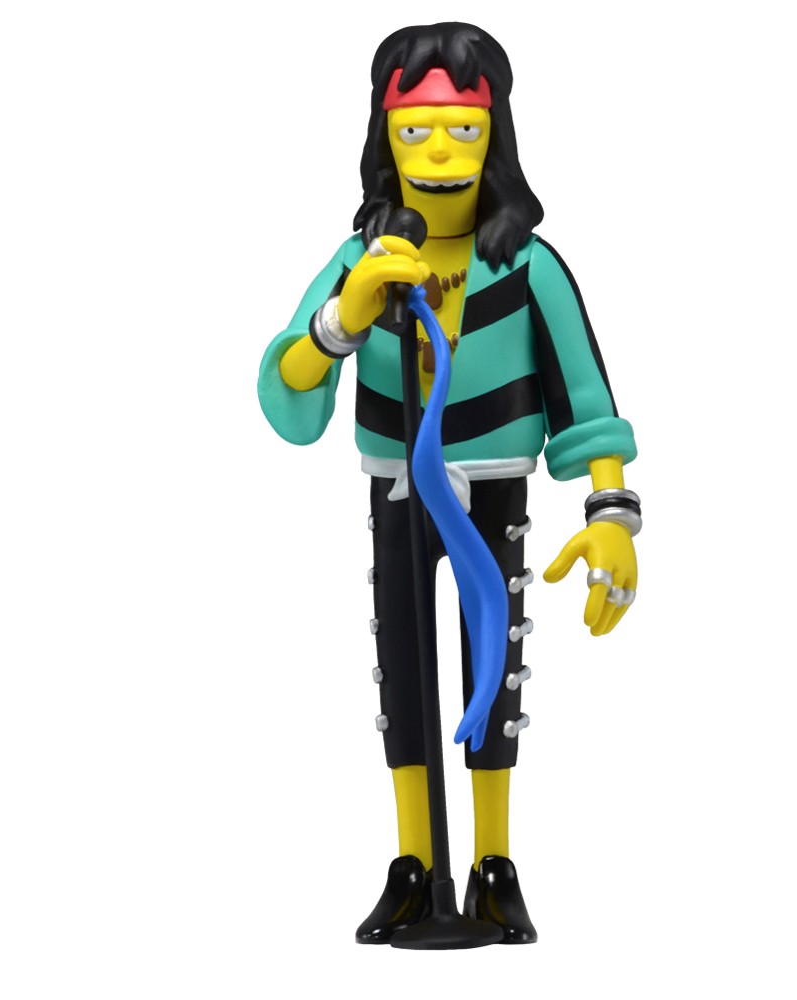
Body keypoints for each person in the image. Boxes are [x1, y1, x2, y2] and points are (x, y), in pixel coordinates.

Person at [258, 22, 640, 945]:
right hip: (397, 489)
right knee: (405, 670)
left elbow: (586, 397)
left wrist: (611, 513)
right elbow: (288, 393)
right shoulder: (360, 265)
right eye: (415, 131)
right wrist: (341, 320)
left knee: (493, 665)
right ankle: (413, 863)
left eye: (462, 130)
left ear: (495, 137)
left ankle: (493, 864)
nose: (438, 153)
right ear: (384, 142)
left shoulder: (531, 268)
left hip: (494, 493)